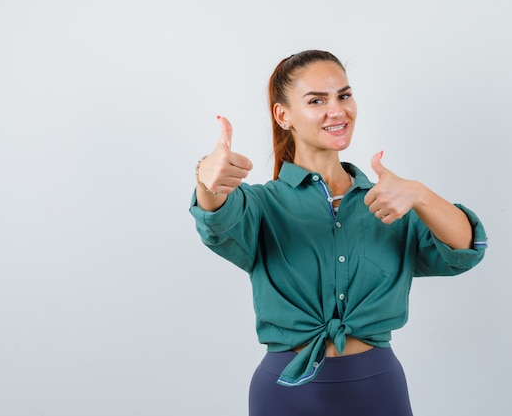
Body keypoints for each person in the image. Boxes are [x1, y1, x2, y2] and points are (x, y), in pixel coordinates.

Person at [190, 50, 487, 416]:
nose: (337, 110)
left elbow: (464, 248)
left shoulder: (389, 200)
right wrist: (206, 174)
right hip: (285, 394)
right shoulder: (262, 205)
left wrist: (421, 194)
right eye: (317, 100)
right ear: (284, 116)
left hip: (378, 389)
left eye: (343, 96)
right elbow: (217, 218)